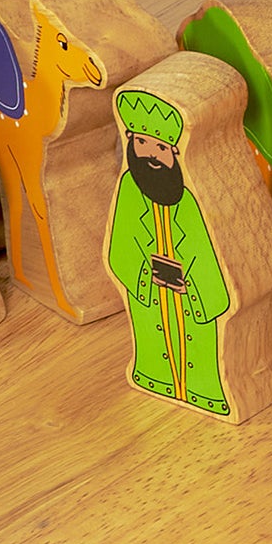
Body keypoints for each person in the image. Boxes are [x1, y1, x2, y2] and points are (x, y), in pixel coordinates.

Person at [105, 88, 233, 415]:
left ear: (176, 152)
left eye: (161, 147)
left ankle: (207, 391)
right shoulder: (130, 190)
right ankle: (152, 376)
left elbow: (207, 253)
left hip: (191, 301)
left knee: (203, 352)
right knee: (154, 345)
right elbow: (120, 246)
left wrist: (191, 286)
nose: (150, 154)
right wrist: (148, 276)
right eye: (141, 143)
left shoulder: (192, 197)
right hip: (150, 297)